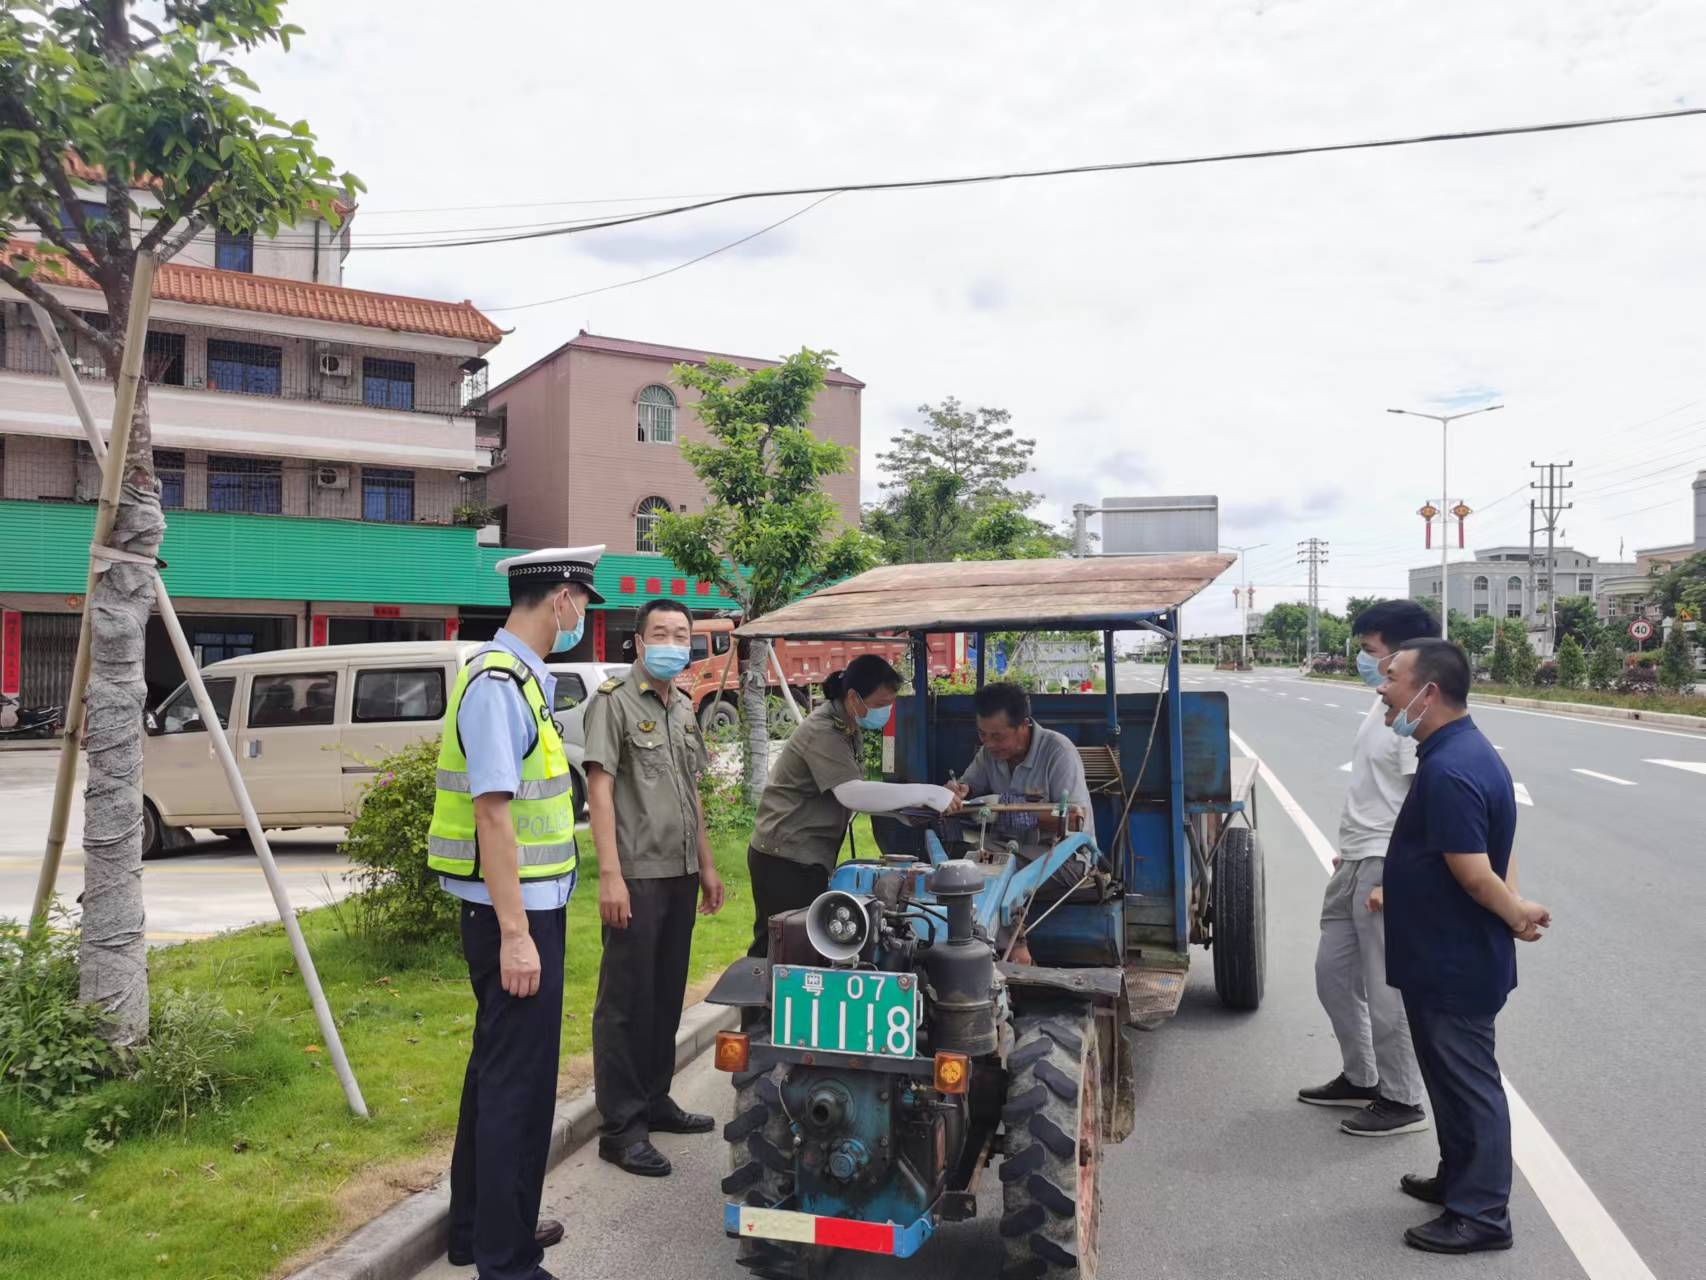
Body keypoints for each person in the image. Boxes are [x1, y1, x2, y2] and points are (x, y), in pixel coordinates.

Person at [429, 546, 603, 1280]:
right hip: (515, 920)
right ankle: (508, 1260)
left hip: (523, 912)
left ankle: (478, 1229)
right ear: (561, 599)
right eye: (584, 604)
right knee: (517, 1085)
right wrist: (516, 938)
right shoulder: (498, 684)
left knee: (495, 1074)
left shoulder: (518, 682)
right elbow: (494, 818)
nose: (585, 619)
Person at [1377, 638, 1552, 1255]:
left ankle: (1482, 1215)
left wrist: (1514, 916)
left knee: (1468, 1084)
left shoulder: (1452, 766)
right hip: (1442, 956)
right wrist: (1515, 909)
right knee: (1449, 1082)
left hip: (1454, 961)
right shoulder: (1459, 751)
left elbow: (1477, 871)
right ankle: (1458, 1180)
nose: (1382, 688)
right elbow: (1499, 851)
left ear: (1428, 691)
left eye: (1392, 677)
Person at [584, 598, 724, 1178]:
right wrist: (610, 875)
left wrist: (708, 866)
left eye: (682, 633)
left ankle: (654, 1097)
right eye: (660, 633)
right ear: (639, 643)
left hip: (680, 872)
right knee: (625, 1003)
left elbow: (691, 791)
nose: (673, 642)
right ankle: (620, 1127)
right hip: (636, 875)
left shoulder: (685, 708)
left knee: (666, 996)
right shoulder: (613, 705)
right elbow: (598, 790)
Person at [1298, 601, 1436, 1137]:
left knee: (1385, 989)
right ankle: (1361, 1077)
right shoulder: (1381, 706)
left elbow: (1420, 800)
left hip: (1384, 861)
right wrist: (1350, 848)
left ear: (1406, 655)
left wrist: (1396, 873)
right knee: (1332, 976)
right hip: (1355, 858)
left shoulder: (1414, 718)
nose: (1361, 659)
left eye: (1370, 649)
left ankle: (1402, 1099)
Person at [747, 654, 955, 959]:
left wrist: (905, 813)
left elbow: (853, 794)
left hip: (807, 856)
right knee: (780, 946)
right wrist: (925, 792)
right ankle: (762, 1008)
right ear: (853, 697)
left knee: (806, 945)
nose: (885, 711)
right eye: (881, 703)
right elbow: (851, 794)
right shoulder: (823, 731)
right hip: (784, 857)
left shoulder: (846, 726)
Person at [943, 681, 1093, 841]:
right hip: (1010, 848)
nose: (988, 744)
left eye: (997, 736)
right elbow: (968, 787)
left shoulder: (1058, 752)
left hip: (1062, 854)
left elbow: (1075, 819)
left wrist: (1022, 814)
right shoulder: (988, 753)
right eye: (982, 734)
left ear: (1024, 725)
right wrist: (957, 792)